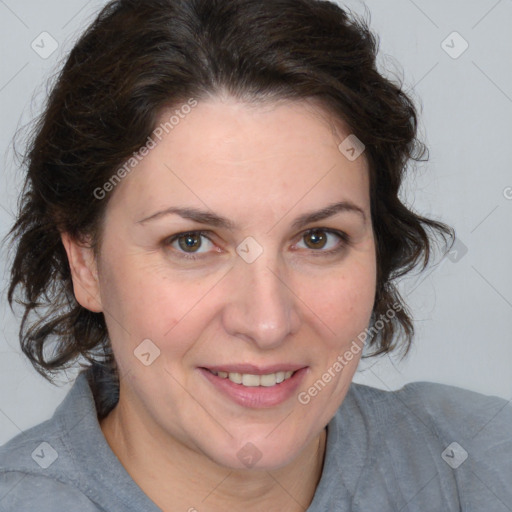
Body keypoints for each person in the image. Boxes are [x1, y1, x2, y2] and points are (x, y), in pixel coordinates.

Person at [0, 0, 510, 510]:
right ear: (85, 263)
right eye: (192, 242)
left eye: (317, 238)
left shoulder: (479, 465)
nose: (267, 323)